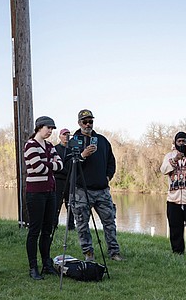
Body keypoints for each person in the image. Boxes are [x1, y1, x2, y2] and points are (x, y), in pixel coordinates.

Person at [71, 109, 123, 262]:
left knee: (109, 222)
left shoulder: (102, 140)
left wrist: (107, 177)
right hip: (82, 190)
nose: (88, 124)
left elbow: (111, 162)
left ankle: (114, 252)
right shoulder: (74, 140)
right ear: (79, 123)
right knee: (82, 224)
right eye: (85, 121)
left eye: (90, 121)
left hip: (102, 191)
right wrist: (82, 155)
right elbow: (68, 165)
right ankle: (88, 252)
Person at [24, 116, 64, 280]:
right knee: (35, 230)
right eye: (49, 128)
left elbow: (60, 165)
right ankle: (33, 267)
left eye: (52, 129)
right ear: (39, 127)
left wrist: (48, 163)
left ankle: (47, 264)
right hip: (35, 193)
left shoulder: (49, 146)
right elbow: (37, 167)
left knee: (48, 230)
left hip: (50, 191)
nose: (50, 131)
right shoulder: (30, 145)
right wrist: (51, 164)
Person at [53, 128, 75, 232]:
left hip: (70, 181)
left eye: (68, 135)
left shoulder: (73, 150)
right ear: (60, 136)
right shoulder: (55, 149)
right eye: (64, 134)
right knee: (56, 204)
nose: (66, 136)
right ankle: (53, 225)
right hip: (58, 181)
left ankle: (71, 226)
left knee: (70, 204)